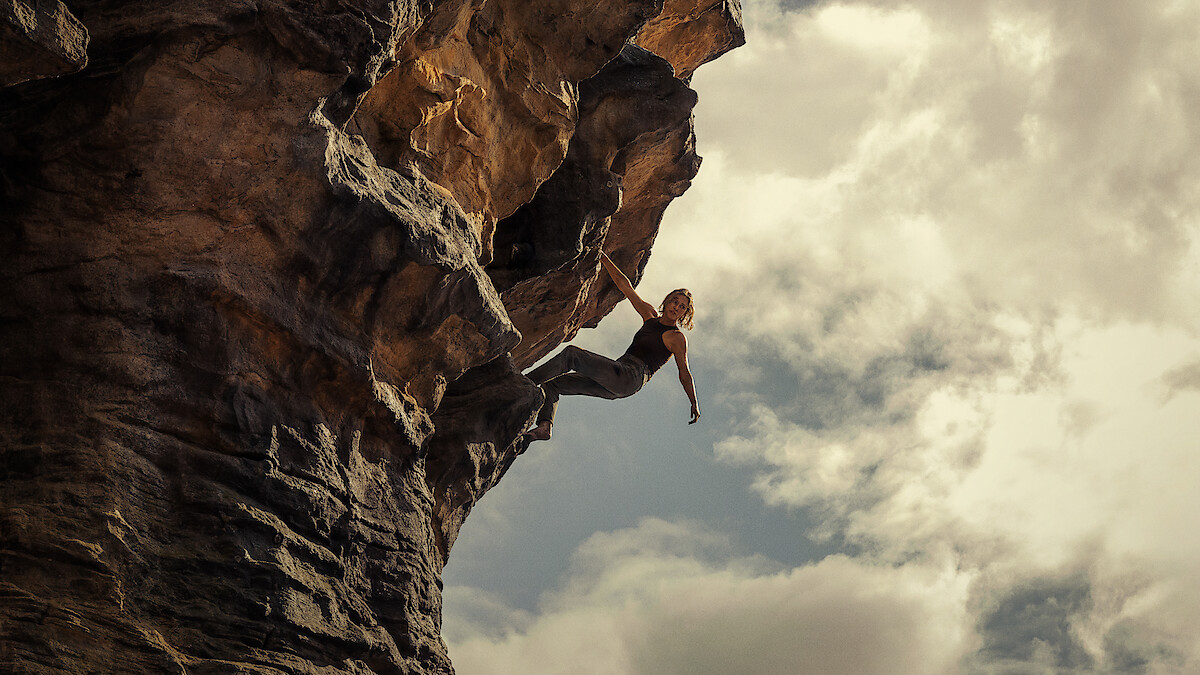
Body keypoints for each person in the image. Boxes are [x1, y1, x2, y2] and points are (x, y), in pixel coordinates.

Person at [522, 251, 700, 443]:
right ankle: (544, 427)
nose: (676, 307)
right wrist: (603, 257)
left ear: (684, 314)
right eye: (675, 301)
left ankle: (522, 383)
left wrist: (693, 402)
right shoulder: (649, 315)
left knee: (572, 355)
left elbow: (684, 372)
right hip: (617, 378)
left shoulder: (676, 337)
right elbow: (625, 287)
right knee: (553, 384)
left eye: (682, 307)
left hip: (631, 376)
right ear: (666, 301)